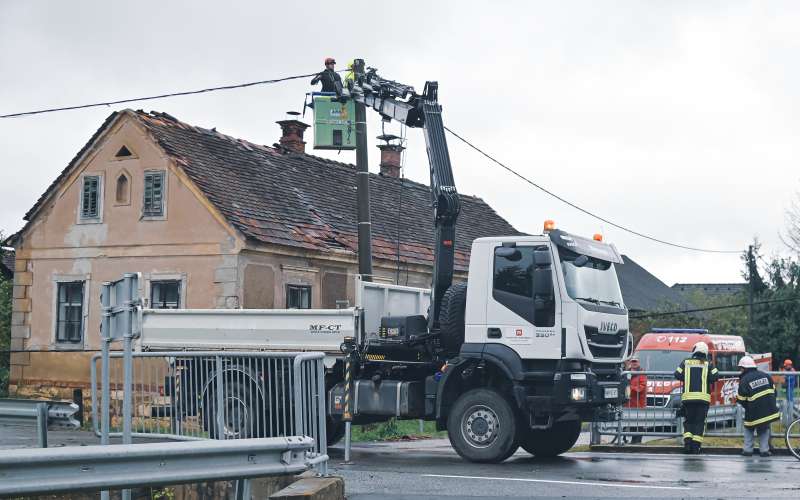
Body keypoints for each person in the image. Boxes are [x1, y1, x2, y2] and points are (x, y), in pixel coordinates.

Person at [674, 341, 719, 454]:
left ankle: (687, 445)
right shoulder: (708, 364)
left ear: (695, 350)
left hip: (688, 398)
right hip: (703, 399)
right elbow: (715, 376)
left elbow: (677, 374)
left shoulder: (686, 362)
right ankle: (696, 447)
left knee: (689, 422)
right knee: (699, 423)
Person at [737, 356, 781, 457]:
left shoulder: (744, 380)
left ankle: (748, 450)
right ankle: (764, 450)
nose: (740, 370)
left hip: (753, 410)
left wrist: (748, 407)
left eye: (740, 368)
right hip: (769, 410)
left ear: (744, 368)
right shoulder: (766, 375)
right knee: (764, 428)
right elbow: (775, 392)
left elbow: (741, 400)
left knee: (749, 427)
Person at [625, 355, 648, 444]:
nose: (634, 363)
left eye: (635, 361)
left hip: (639, 403)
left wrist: (630, 388)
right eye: (632, 361)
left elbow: (641, 387)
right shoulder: (626, 373)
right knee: (631, 424)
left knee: (639, 424)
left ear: (638, 363)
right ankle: (632, 441)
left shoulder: (642, 373)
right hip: (629, 404)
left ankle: (637, 441)